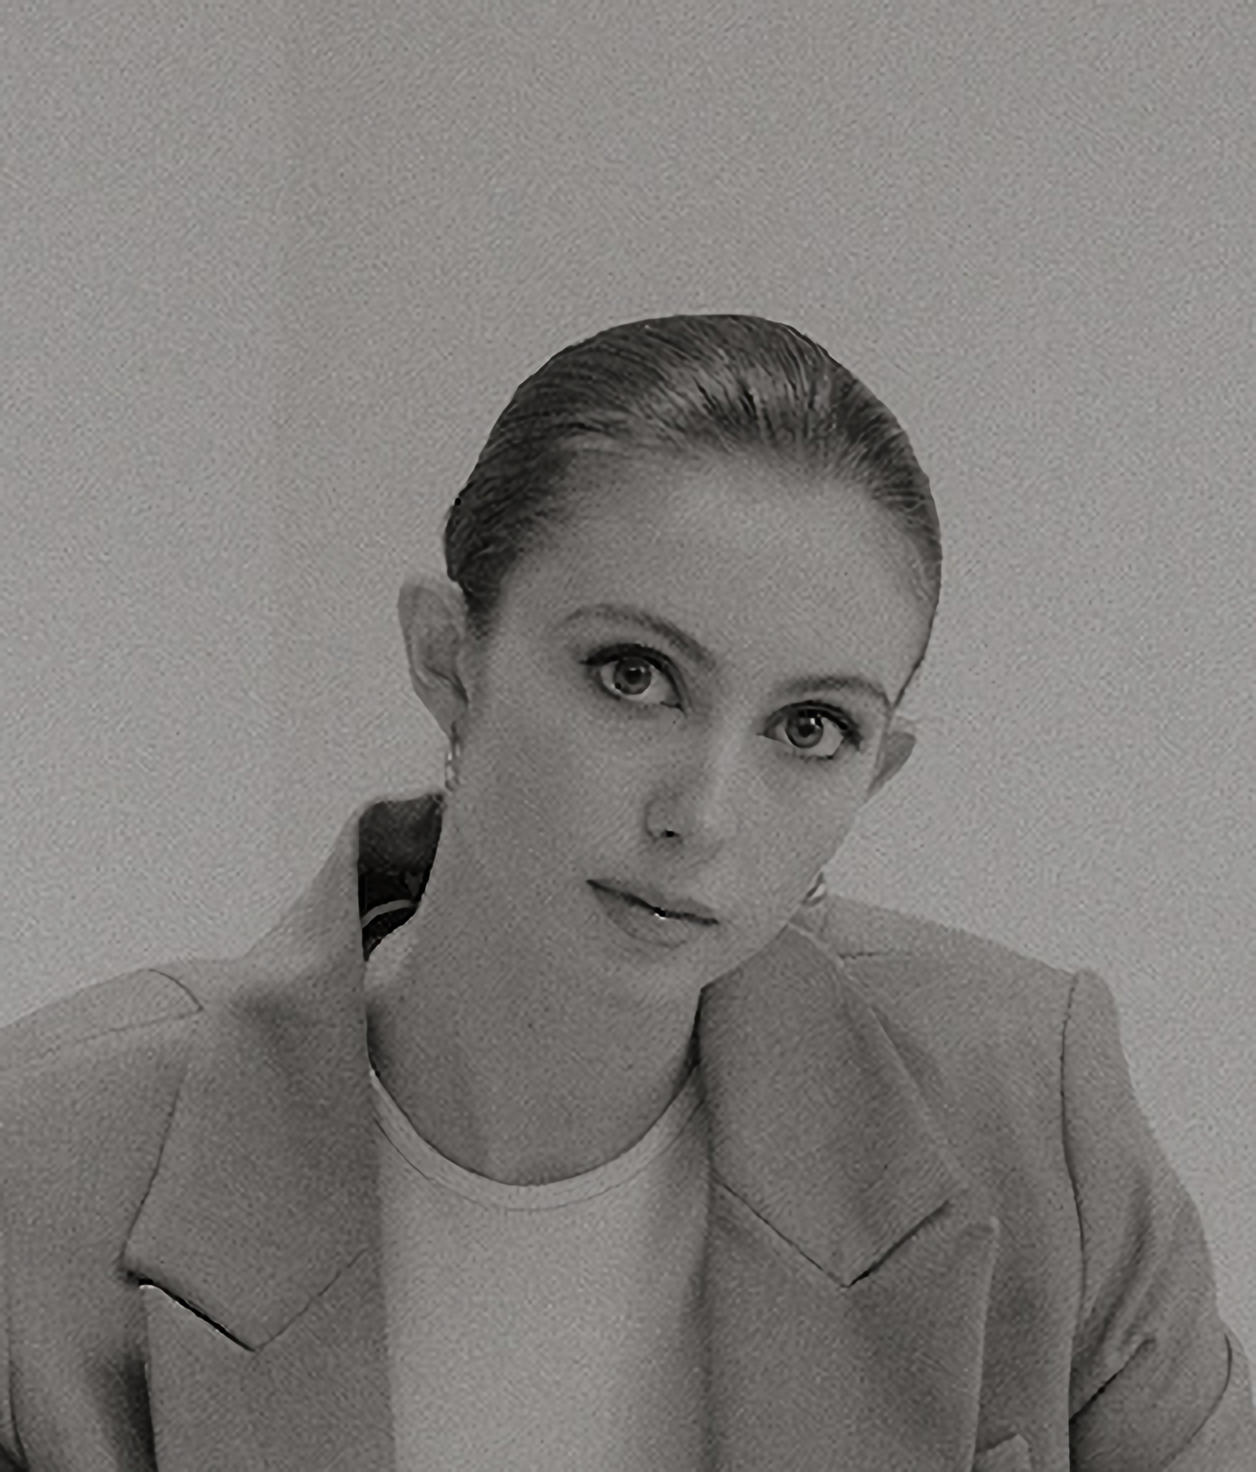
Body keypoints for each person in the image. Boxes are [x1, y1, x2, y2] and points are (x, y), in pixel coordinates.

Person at [0, 314, 1250, 1471]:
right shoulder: (51, 1161)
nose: (700, 816)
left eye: (808, 726)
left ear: (878, 767)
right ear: (448, 657)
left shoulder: (1029, 1116)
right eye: (632, 675)